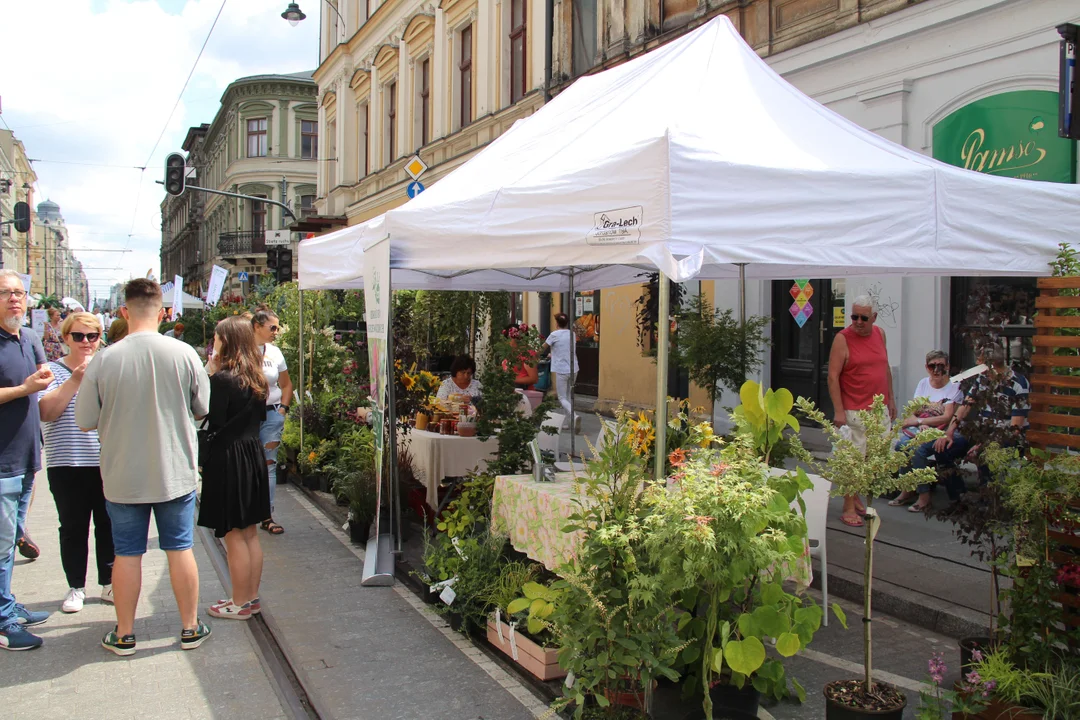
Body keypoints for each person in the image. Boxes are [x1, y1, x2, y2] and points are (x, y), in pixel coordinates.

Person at [75, 278, 212, 656]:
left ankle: (124, 633)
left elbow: (85, 419)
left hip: (122, 474)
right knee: (180, 548)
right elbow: (203, 409)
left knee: (127, 553)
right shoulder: (184, 353)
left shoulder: (104, 358)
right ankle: (188, 628)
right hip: (174, 471)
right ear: (164, 312)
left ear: (124, 312)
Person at [38, 312, 114, 613]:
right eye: (78, 336)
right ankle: (76, 586)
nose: (86, 342)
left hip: (106, 461)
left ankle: (109, 581)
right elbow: (46, 412)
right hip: (66, 463)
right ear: (66, 338)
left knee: (108, 524)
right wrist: (75, 379)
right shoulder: (52, 370)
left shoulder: (108, 368)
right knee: (72, 527)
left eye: (92, 336)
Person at [199, 317, 270, 620]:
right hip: (251, 454)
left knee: (232, 533)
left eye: (216, 338)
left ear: (226, 341)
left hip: (228, 457)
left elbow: (211, 418)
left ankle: (239, 601)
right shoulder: (256, 377)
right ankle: (249, 598)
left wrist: (212, 373)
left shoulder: (222, 380)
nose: (213, 343)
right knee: (249, 533)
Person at [0, 269, 53, 650]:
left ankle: (8, 605)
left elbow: (41, 381)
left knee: (12, 534)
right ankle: (4, 622)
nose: (15, 300)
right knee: (2, 544)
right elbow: (28, 388)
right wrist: (24, 389)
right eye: (6, 293)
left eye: (19, 293)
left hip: (28, 454)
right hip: (1, 459)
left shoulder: (29, 336)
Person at [827, 295, 895, 528]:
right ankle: (847, 506)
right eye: (854, 316)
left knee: (871, 459)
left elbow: (884, 368)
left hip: (878, 409)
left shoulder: (880, 334)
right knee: (853, 459)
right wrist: (838, 411)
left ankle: (856, 496)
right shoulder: (842, 339)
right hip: (854, 409)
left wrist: (891, 400)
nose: (857, 321)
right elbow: (833, 376)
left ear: (873, 318)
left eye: (863, 318)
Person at [931, 344, 1029, 498]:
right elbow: (965, 406)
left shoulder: (1018, 383)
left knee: (985, 454)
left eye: (979, 360)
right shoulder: (982, 379)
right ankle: (958, 497)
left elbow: (1014, 429)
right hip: (982, 432)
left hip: (1004, 437)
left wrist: (982, 445)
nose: (976, 363)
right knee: (942, 448)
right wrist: (949, 432)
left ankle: (988, 503)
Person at [888, 350, 963, 513]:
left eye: (941, 366)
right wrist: (919, 423)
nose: (936, 370)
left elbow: (947, 417)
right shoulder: (923, 384)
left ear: (948, 367)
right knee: (901, 446)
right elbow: (913, 411)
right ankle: (907, 488)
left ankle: (924, 496)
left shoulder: (954, 387)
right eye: (932, 366)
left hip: (942, 431)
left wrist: (921, 421)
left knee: (918, 450)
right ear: (926, 368)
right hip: (921, 428)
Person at [246, 309, 292, 535]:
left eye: (277, 327)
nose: (276, 331)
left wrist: (283, 408)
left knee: (269, 464)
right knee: (245, 464)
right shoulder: (241, 350)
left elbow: (286, 384)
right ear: (256, 326)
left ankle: (267, 515)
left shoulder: (275, 353)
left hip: (272, 413)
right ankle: (244, 512)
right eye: (272, 327)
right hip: (246, 416)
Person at [542, 313, 579, 432]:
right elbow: (566, 349)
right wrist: (553, 354)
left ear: (557, 323)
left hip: (562, 369)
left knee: (562, 397)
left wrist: (533, 355)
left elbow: (543, 347)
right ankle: (568, 423)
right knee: (568, 395)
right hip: (574, 369)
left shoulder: (554, 335)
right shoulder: (572, 334)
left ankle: (574, 416)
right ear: (567, 323)